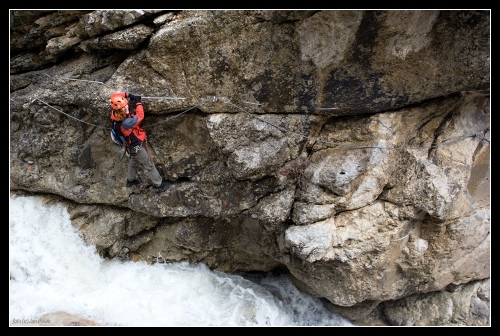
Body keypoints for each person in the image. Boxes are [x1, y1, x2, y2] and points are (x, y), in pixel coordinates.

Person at [109, 92, 169, 192]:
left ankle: (130, 180)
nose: (126, 108)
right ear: (119, 109)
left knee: (134, 162)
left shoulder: (115, 115)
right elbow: (140, 116)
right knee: (149, 164)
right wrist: (138, 102)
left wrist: (128, 95)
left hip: (130, 145)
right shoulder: (126, 123)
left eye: (126, 105)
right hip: (136, 146)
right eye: (123, 108)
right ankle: (158, 184)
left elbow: (114, 95)